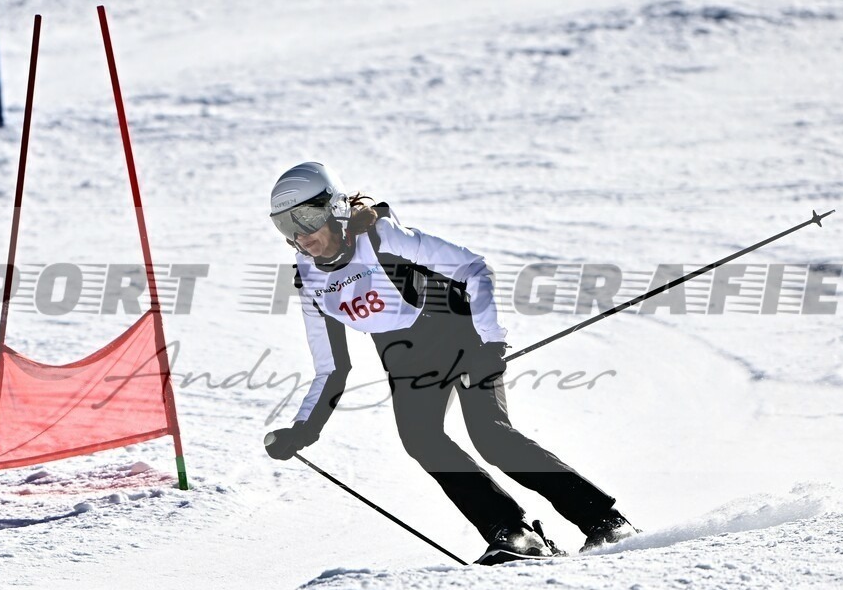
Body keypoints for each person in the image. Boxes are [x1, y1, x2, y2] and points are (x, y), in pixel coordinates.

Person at [263, 161, 635, 562]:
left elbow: (474, 267)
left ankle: (606, 522)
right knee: (422, 440)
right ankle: (513, 533)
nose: (302, 235)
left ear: (335, 208)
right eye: (287, 225)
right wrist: (303, 430)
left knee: (491, 435)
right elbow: (332, 367)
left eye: (308, 217)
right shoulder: (309, 281)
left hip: (461, 335)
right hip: (404, 358)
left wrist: (491, 345)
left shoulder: (382, 238)